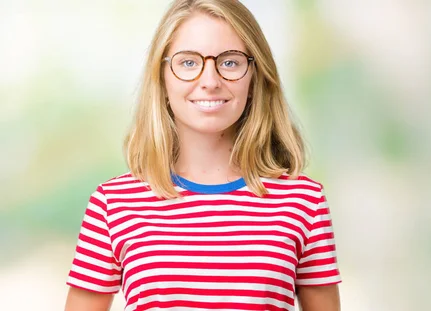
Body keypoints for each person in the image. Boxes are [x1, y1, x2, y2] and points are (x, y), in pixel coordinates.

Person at [63, 0, 341, 310]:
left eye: (230, 62)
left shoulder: (304, 201)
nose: (210, 82)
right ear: (162, 77)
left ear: (254, 77)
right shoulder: (112, 204)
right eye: (189, 63)